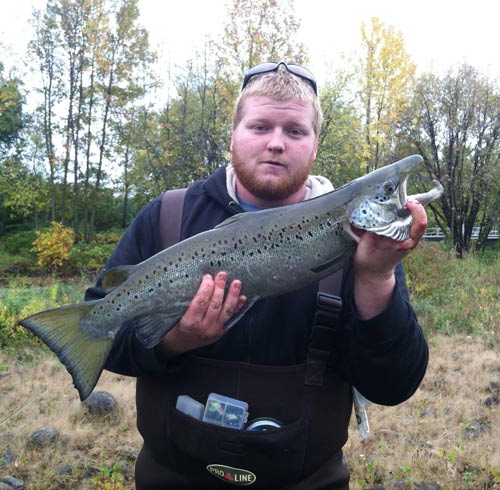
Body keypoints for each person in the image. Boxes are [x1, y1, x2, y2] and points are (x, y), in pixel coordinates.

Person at [85, 61, 429, 490]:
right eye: (260, 126)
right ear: (233, 135)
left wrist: (377, 279)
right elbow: (100, 337)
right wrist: (174, 341)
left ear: (315, 146)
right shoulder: (166, 217)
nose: (276, 144)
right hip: (172, 478)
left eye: (295, 131)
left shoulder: (363, 245)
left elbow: (393, 385)